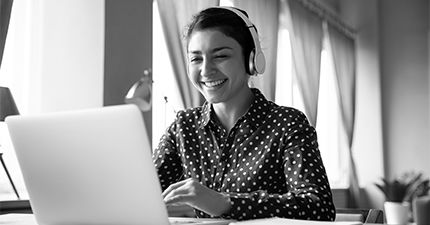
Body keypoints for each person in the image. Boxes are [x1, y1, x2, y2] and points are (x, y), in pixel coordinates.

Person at [152, 6, 335, 221]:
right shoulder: (183, 127)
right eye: (196, 59)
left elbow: (319, 207)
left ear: (251, 59)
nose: (206, 70)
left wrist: (225, 203)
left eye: (220, 56)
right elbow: (142, 194)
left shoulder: (287, 124)